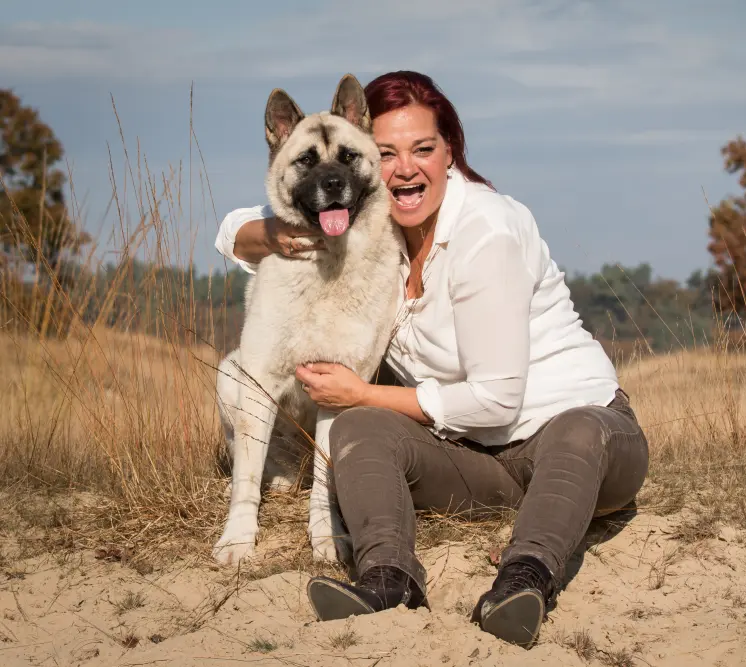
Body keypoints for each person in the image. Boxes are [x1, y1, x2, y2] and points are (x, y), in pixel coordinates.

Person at [213, 70, 649, 649]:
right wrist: (266, 232)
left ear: (451, 152)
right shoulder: (380, 228)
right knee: (362, 429)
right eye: (387, 153)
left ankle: (523, 581)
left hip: (588, 441)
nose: (404, 168)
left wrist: (364, 392)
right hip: (479, 455)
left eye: (423, 149)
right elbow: (247, 222)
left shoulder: (487, 231)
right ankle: (388, 577)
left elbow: (498, 399)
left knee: (573, 431)